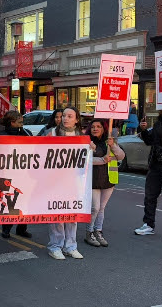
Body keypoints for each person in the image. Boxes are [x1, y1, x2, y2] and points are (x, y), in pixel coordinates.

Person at [46, 107, 91, 260]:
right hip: (55, 180)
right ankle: (55, 246)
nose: (65, 118)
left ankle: (71, 246)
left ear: (76, 119)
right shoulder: (53, 133)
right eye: (64, 115)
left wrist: (91, 148)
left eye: (69, 116)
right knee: (57, 213)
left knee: (72, 213)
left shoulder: (82, 136)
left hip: (74, 180)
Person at [134, 109, 162, 242]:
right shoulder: (158, 123)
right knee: (150, 195)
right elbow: (150, 141)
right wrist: (144, 130)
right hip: (156, 165)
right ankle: (148, 224)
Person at [84, 119, 125, 247]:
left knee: (101, 208)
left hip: (108, 179)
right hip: (93, 179)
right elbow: (85, 160)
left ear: (103, 129)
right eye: (93, 127)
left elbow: (121, 156)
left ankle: (98, 231)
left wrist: (113, 145)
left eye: (98, 127)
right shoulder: (87, 142)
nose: (95, 129)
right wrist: (102, 159)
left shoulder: (109, 141)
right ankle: (89, 232)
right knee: (94, 208)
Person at [0, 111, 33, 239]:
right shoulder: (1, 135)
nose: (22, 124)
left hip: (23, 172)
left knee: (24, 201)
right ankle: (6, 229)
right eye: (20, 122)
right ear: (12, 122)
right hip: (7, 172)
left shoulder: (25, 132)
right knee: (9, 202)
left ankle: (22, 228)